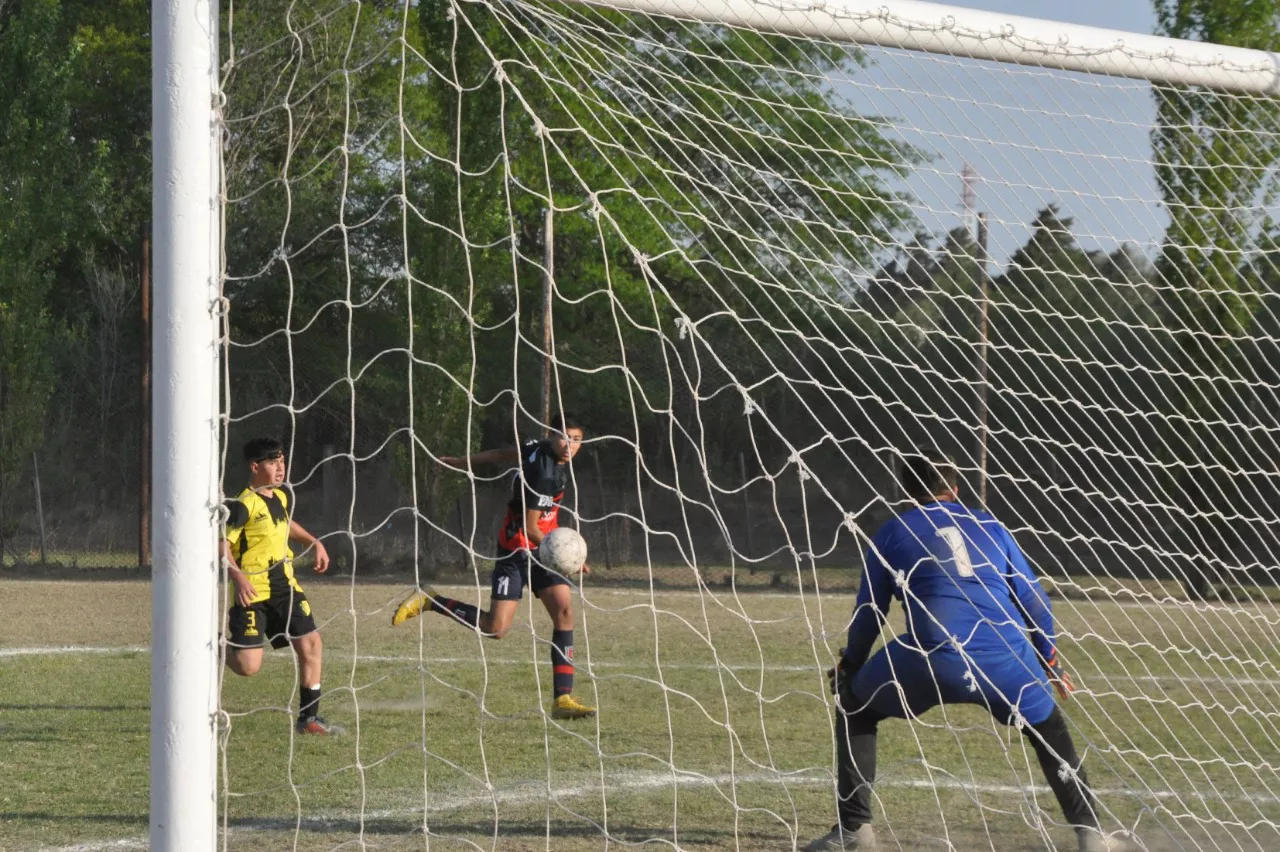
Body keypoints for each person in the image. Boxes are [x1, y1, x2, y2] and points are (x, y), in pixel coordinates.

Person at [804, 449, 1132, 852]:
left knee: (854, 704)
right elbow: (1034, 600)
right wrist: (1050, 661)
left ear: (907, 494)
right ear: (955, 489)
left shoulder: (890, 533)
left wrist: (849, 666)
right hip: (1006, 659)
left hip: (929, 658)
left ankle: (854, 832)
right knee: (1049, 728)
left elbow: (869, 613)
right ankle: (1091, 835)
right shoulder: (992, 526)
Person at [391, 413, 596, 720]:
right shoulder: (545, 474)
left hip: (542, 550)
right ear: (552, 435)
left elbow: (502, 453)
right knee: (495, 630)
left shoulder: (535, 447)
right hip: (517, 552)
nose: (570, 445)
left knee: (565, 612)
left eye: (577, 438)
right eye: (564, 437)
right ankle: (431, 601)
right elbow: (530, 528)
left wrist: (463, 461)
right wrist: (569, 557)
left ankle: (562, 699)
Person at [222, 437, 340, 735]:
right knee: (248, 667)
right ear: (255, 466)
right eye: (273, 463)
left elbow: (286, 525)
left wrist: (314, 542)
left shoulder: (282, 497)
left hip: (285, 586)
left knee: (311, 644)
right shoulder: (243, 505)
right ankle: (214, 646)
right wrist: (238, 576)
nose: (280, 468)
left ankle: (309, 718)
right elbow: (222, 544)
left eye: (282, 462)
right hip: (253, 593)